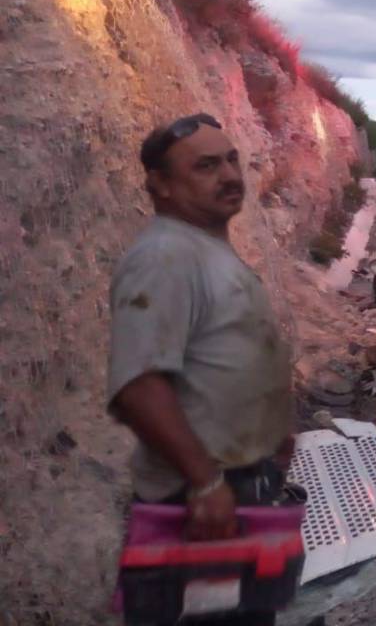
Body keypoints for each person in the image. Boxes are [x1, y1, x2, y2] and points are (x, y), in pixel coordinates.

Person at [108, 113, 296, 626]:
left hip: (235, 485)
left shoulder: (205, 249)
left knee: (245, 615)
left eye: (232, 159)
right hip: (195, 501)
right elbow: (140, 386)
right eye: (206, 166)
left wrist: (274, 435)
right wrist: (204, 482)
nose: (231, 176)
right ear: (161, 186)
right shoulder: (166, 256)